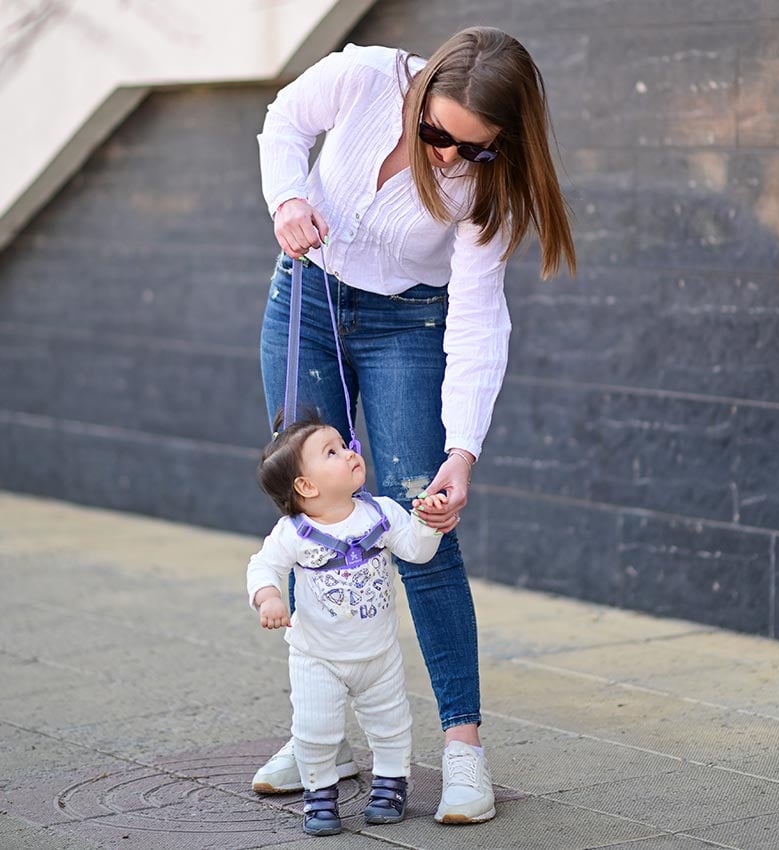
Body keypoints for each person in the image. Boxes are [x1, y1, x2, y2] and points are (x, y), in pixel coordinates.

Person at [253, 25, 576, 824]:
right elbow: (285, 122)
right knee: (312, 507)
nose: (444, 157)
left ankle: (464, 752)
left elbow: (477, 321)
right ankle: (319, 738)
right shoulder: (364, 78)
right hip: (308, 296)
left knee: (420, 522)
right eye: (435, 132)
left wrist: (462, 453)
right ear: (421, 92)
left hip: (412, 326)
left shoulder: (486, 192)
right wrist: (289, 197)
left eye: (471, 148)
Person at [246, 410, 446, 835]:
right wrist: (269, 597)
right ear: (306, 486)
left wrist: (428, 524)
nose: (350, 452)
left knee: (391, 723)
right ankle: (319, 794)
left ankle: (391, 785)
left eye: (345, 444)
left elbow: (417, 551)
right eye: (332, 452)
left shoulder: (382, 513)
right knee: (315, 729)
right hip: (317, 656)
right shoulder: (293, 532)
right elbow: (262, 565)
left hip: (379, 654)